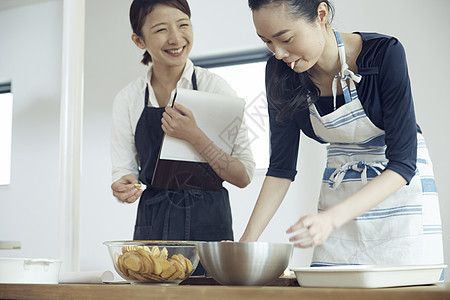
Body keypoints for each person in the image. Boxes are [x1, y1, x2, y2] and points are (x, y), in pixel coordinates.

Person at [240, 0, 444, 271]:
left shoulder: (383, 54)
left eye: (285, 38)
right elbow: (280, 169)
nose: (278, 53)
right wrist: (246, 243)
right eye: (266, 42)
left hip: (399, 199)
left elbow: (403, 163)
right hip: (340, 194)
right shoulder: (280, 74)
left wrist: (332, 220)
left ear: (321, 14)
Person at [110, 0, 255, 261]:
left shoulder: (215, 89)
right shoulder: (128, 99)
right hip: (152, 226)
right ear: (138, 40)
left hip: (209, 225)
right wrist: (123, 188)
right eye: (161, 29)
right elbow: (124, 173)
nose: (176, 38)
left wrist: (195, 137)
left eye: (183, 25)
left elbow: (242, 176)